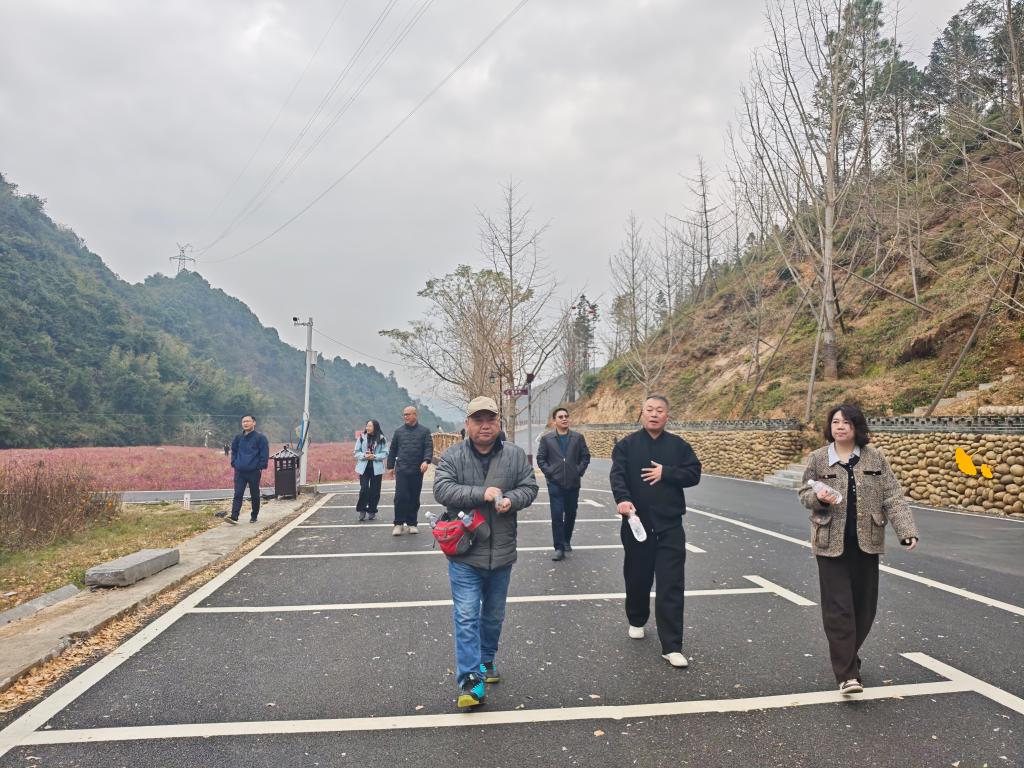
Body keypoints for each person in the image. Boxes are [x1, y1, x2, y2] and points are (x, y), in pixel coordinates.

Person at [799, 403, 919, 695]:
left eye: (846, 422)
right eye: (835, 422)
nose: (839, 426)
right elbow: (804, 493)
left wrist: (906, 531)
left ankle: (848, 656)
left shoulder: (875, 457)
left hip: (867, 542)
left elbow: (892, 496)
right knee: (839, 609)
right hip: (830, 543)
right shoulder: (818, 458)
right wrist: (819, 498)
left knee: (865, 609)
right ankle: (847, 674)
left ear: (856, 427)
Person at [433, 396, 539, 709]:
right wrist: (484, 494)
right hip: (464, 553)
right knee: (466, 616)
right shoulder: (452, 456)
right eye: (478, 420)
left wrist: (512, 500)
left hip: (502, 553)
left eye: (490, 419)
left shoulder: (514, 455)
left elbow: (529, 487)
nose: (484, 425)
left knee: (492, 616)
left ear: (498, 422)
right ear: (467, 424)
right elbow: (442, 489)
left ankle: (486, 660)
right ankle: (471, 682)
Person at [609, 395, 701, 668]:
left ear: (667, 416)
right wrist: (623, 500)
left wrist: (667, 473)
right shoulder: (626, 445)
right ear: (642, 413)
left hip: (670, 525)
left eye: (659, 410)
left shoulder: (679, 446)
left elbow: (694, 474)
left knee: (671, 584)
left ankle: (672, 646)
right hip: (637, 524)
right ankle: (637, 618)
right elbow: (617, 476)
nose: (654, 414)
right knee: (637, 577)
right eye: (649, 409)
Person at [536, 406, 591, 561]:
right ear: (554, 421)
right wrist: (550, 473)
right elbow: (541, 458)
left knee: (571, 513)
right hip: (555, 484)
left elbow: (585, 456)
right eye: (560, 417)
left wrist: (578, 471)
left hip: (573, 483)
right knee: (557, 515)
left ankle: (566, 540)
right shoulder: (547, 439)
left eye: (566, 416)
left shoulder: (578, 438)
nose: (564, 419)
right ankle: (559, 548)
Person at [386, 405, 434, 535]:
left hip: (417, 470)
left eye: (408, 414)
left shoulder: (424, 431)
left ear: (415, 415)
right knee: (400, 496)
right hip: (401, 469)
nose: (405, 417)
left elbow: (428, 447)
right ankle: (398, 524)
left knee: (414, 497)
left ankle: (412, 523)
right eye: (404, 414)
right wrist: (390, 467)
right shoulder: (398, 432)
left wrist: (426, 461)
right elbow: (393, 450)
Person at [226, 414, 269, 524]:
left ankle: (254, 515)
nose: (245, 423)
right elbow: (234, 451)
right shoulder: (238, 438)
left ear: (254, 423)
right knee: (238, 493)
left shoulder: (260, 438)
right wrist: (234, 463)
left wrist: (260, 466)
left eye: (248, 421)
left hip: (254, 471)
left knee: (254, 494)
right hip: (240, 471)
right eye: (243, 421)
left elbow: (264, 453)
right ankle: (234, 516)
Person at [353, 419, 387, 521]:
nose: (367, 428)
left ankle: (372, 510)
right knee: (364, 489)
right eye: (367, 426)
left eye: (370, 426)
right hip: (364, 468)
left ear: (375, 427)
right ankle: (362, 510)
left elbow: (385, 453)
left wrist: (375, 456)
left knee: (375, 491)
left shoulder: (381, 438)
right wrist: (364, 455)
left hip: (377, 468)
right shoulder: (361, 438)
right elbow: (356, 452)